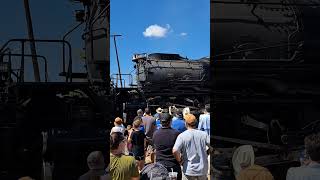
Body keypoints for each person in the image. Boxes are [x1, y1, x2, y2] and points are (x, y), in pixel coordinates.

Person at [173, 114, 210, 180]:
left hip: (189, 169)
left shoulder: (182, 136)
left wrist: (179, 160)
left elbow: (175, 150)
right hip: (202, 169)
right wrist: (207, 153)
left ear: (186, 123)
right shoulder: (204, 134)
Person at [153, 113, 182, 180]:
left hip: (160, 165)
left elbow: (155, 149)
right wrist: (179, 160)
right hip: (173, 164)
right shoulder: (176, 133)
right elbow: (178, 150)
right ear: (171, 121)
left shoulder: (155, 134)